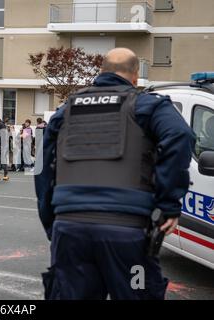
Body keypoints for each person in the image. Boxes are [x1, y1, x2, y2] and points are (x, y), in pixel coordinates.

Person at [35, 48, 196, 300]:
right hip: (127, 235)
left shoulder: (66, 110)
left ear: (101, 73)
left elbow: (42, 166)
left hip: (70, 232)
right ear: (134, 78)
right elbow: (180, 135)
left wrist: (51, 222)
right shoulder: (146, 105)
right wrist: (168, 204)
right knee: (138, 291)